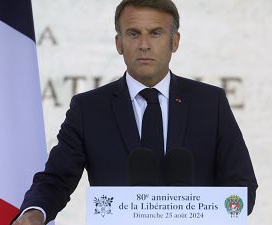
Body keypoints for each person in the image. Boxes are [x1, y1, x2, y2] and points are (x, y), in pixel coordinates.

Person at [13, 0, 258, 224]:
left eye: (155, 33)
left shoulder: (210, 103)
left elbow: (242, 185)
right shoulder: (89, 109)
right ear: (119, 43)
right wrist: (33, 213)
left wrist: (212, 213)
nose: (144, 45)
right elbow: (56, 179)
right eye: (133, 34)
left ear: (175, 42)